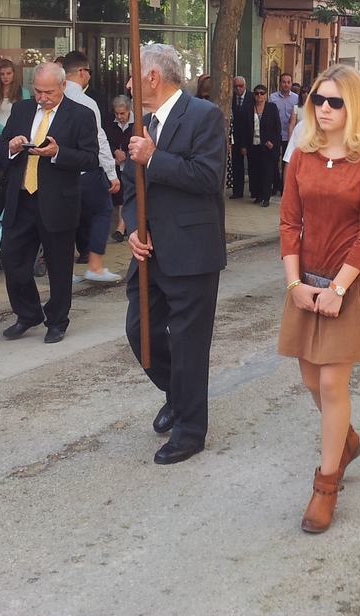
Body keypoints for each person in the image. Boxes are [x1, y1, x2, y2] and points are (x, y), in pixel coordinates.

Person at [277, 64, 360, 534]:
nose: (323, 109)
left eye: (334, 102)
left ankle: (326, 486)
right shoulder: (302, 155)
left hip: (350, 284)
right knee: (308, 377)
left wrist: (338, 289)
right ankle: (345, 439)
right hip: (305, 281)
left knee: (330, 384)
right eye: (318, 100)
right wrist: (295, 285)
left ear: (353, 107)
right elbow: (288, 223)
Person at [122, 43, 227, 465]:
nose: (128, 84)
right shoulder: (141, 121)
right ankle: (177, 392)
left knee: (187, 343)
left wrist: (155, 157)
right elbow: (131, 182)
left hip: (191, 250)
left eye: (134, 75)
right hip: (149, 251)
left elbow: (207, 177)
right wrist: (132, 226)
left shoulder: (204, 116)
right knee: (139, 332)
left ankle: (189, 430)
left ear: (153, 77)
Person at [0, 61, 100, 343]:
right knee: (12, 258)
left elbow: (90, 159)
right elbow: (1, 145)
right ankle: (28, 313)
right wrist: (12, 146)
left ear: (63, 87)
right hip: (22, 197)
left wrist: (58, 153)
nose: (42, 98)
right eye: (38, 91)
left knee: (58, 264)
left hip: (57, 201)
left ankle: (57, 320)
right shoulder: (22, 109)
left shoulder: (80, 115)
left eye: (49, 92)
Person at [62, 51, 122, 283]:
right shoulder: (87, 103)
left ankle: (64, 271)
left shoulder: (51, 99)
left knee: (66, 220)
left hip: (58, 171)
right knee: (102, 211)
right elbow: (100, 140)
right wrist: (111, 172)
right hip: (86, 170)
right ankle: (95, 266)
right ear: (82, 72)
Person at [237, 83, 282, 206]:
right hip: (253, 144)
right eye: (256, 93)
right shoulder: (248, 108)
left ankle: (266, 197)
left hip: (267, 146)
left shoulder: (271, 108)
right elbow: (243, 128)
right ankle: (257, 195)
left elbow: (277, 127)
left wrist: (272, 141)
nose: (259, 96)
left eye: (262, 93)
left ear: (266, 95)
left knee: (267, 171)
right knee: (254, 171)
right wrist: (243, 145)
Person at [0, 59, 30, 176]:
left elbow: (27, 116)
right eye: (2, 74)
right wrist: (4, 131)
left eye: (8, 73)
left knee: (13, 172)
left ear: (14, 74)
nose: (5, 77)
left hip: (16, 137)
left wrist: (11, 134)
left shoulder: (23, 93)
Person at [106, 95, 133, 242]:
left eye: (122, 113)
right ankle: (122, 227)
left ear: (129, 110)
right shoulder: (110, 123)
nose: (119, 116)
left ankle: (120, 229)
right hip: (115, 166)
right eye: (117, 113)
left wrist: (127, 155)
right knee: (120, 197)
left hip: (131, 166)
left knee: (125, 196)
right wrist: (115, 151)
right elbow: (105, 141)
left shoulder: (138, 123)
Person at [269, 73, 299, 195]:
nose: (286, 84)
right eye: (283, 82)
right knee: (273, 160)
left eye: (288, 82)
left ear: (291, 83)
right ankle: (275, 185)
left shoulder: (296, 99)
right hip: (276, 134)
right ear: (280, 83)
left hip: (290, 135)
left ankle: (283, 187)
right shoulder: (272, 97)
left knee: (286, 161)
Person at [228, 76, 248, 199]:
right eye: (236, 86)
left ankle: (256, 192)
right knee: (237, 165)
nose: (238, 89)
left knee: (253, 165)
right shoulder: (230, 98)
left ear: (245, 86)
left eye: (240, 86)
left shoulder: (251, 97)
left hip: (249, 136)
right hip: (235, 137)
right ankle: (237, 191)